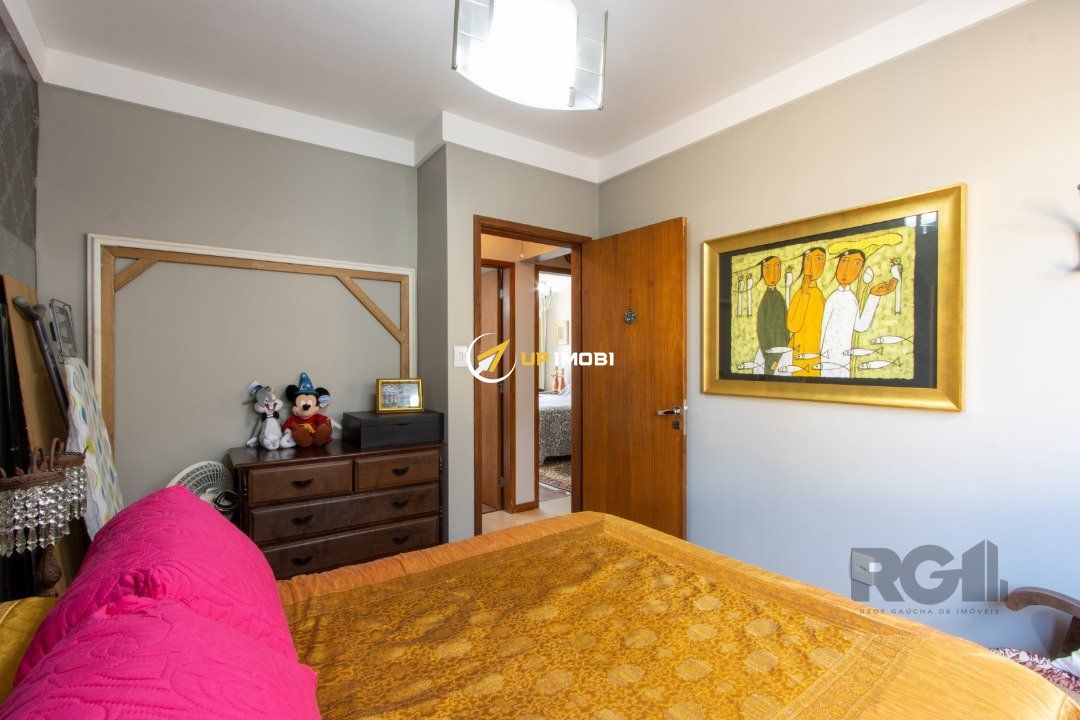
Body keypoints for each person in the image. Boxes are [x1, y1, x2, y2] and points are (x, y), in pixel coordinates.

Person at [819, 250, 897, 378]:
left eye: (856, 264)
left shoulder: (851, 299)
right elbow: (823, 328)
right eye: (844, 262)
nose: (847, 269)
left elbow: (860, 326)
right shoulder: (832, 298)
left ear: (860, 270)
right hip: (827, 356)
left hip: (845, 356)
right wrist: (821, 353)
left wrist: (874, 296)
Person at [786, 247, 826, 377]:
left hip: (815, 353)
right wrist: (804, 294)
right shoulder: (800, 295)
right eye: (808, 259)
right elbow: (793, 326)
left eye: (819, 259)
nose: (812, 266)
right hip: (800, 353)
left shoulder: (819, 296)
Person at [756, 256, 787, 375]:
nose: (773, 273)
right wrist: (770, 361)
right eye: (768, 268)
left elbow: (785, 327)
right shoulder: (765, 301)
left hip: (783, 354)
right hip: (772, 357)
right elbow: (761, 332)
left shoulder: (779, 297)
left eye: (777, 266)